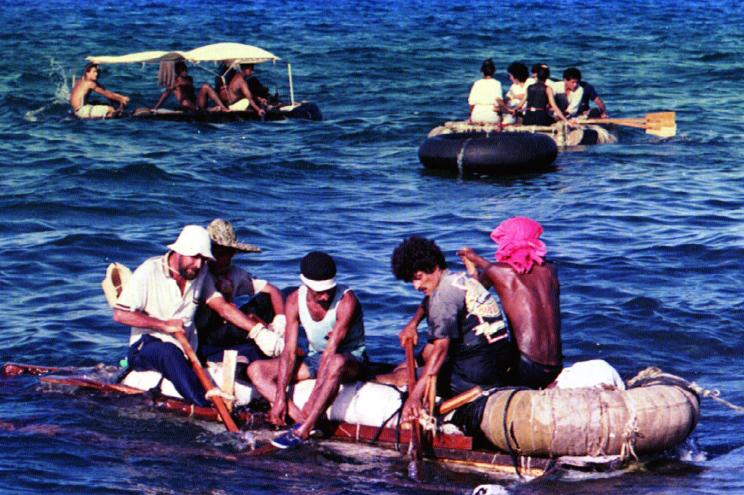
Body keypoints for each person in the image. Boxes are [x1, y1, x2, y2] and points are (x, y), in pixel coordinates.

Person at [113, 225, 280, 407]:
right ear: (179, 252)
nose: (199, 264)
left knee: (251, 350)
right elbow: (120, 314)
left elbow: (221, 307)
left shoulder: (200, 274)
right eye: (195, 257)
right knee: (168, 352)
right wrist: (164, 325)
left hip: (188, 349)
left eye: (203, 259)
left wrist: (257, 331)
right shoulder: (149, 271)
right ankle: (206, 403)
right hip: (147, 346)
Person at [388, 236, 517, 424]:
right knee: (423, 355)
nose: (416, 286)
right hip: (497, 369)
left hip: (473, 378)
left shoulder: (443, 298)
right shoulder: (461, 280)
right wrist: (413, 323)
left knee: (403, 375)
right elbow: (428, 301)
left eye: (418, 278)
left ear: (433, 267)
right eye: (412, 281)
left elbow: (441, 351)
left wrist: (414, 396)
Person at [247, 251, 367, 449]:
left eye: (329, 289)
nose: (326, 296)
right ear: (306, 285)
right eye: (319, 292)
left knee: (336, 361)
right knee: (256, 370)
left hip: (350, 361)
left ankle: (304, 429)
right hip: (316, 359)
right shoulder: (294, 300)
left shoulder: (347, 301)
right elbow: (289, 351)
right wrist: (279, 398)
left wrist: (313, 398)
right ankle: (300, 419)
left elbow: (331, 353)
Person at [458, 217, 563, 389]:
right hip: (555, 365)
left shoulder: (498, 271)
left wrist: (471, 265)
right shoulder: (551, 270)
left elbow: (474, 292)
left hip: (527, 367)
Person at [196, 218, 285, 364]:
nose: (227, 258)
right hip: (205, 336)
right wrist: (258, 331)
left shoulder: (235, 273)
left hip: (227, 326)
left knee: (269, 300)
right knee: (242, 326)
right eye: (221, 253)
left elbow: (272, 290)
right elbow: (223, 309)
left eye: (230, 253)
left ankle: (276, 338)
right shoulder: (203, 275)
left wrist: (281, 319)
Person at [152, 61, 228, 112]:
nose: (185, 71)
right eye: (183, 70)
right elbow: (165, 94)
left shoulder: (189, 79)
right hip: (187, 106)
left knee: (206, 86)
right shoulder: (175, 82)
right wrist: (156, 108)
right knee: (185, 102)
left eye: (185, 69)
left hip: (197, 104)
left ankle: (222, 107)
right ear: (178, 71)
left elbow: (189, 88)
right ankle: (208, 110)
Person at [468, 58, 508, 124]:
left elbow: (471, 104)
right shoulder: (496, 83)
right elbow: (499, 101)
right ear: (494, 71)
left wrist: (471, 117)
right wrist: (508, 109)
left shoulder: (477, 83)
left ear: (482, 71)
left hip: (476, 116)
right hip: (491, 117)